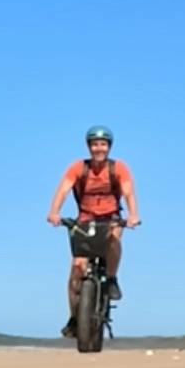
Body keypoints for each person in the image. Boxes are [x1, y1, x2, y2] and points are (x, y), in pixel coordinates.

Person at [47, 128, 138, 331]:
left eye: (103, 144)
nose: (99, 148)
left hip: (111, 218)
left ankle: (112, 279)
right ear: (89, 147)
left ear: (109, 147)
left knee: (114, 240)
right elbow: (63, 189)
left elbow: (128, 193)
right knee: (76, 270)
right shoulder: (78, 168)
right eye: (95, 144)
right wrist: (54, 211)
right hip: (85, 219)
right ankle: (73, 318)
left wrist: (133, 215)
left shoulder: (118, 168)